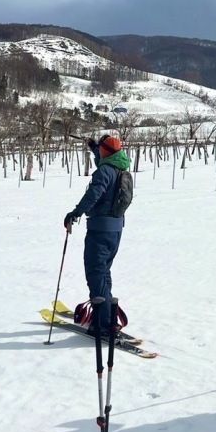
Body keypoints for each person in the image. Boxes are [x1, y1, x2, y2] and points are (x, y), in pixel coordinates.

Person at [64, 135, 131, 335]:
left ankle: (103, 324)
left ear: (106, 152)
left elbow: (93, 194)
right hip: (116, 229)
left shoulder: (104, 171)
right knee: (103, 273)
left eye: (100, 149)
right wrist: (94, 147)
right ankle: (106, 316)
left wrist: (75, 213)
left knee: (95, 273)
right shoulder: (120, 166)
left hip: (100, 230)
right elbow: (104, 162)